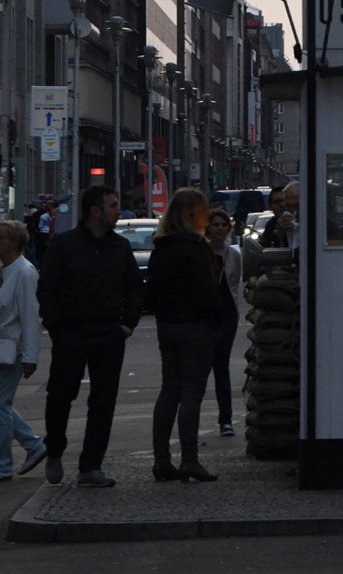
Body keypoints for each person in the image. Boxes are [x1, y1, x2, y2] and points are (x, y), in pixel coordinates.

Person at [37, 184, 141, 487]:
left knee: (103, 400)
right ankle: (55, 448)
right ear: (95, 211)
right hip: (71, 331)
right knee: (60, 395)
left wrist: (127, 325)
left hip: (108, 333)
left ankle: (91, 466)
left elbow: (134, 288)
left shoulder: (120, 247)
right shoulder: (64, 245)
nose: (118, 211)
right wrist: (56, 327)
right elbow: (47, 288)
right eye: (113, 206)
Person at [148, 188, 222, 482]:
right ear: (191, 214)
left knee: (169, 390)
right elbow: (207, 291)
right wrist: (214, 323)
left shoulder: (161, 247)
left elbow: (152, 290)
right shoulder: (197, 247)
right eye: (203, 211)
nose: (208, 216)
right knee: (192, 392)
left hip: (168, 326)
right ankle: (189, 459)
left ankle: (161, 460)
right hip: (196, 326)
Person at [0, 220, 46, 481]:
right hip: (5, 346)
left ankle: (4, 463)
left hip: (11, 349)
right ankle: (32, 444)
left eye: (1, 238)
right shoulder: (6, 269)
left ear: (15, 242)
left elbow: (30, 316)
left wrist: (30, 356)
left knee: (1, 404)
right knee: (1, 404)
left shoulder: (24, 272)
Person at [206, 207, 242, 438]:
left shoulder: (234, 255)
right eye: (216, 225)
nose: (220, 229)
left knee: (221, 366)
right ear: (208, 228)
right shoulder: (202, 254)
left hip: (227, 315)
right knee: (201, 367)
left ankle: (226, 420)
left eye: (223, 225)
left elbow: (235, 282)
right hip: (206, 316)